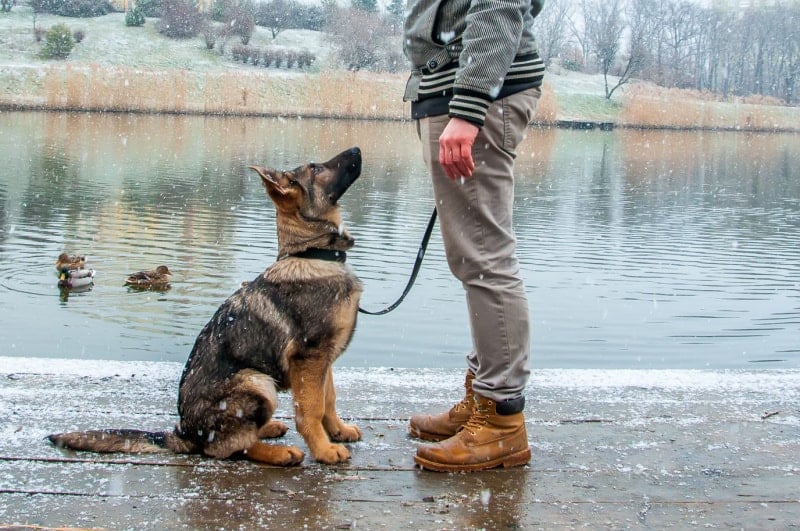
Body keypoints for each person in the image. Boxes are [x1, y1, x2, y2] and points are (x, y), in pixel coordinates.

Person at [402, 0, 545, 472]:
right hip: (458, 90)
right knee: (474, 257)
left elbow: (499, 6)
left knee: (484, 259)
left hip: (473, 98)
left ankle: (501, 421)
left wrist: (467, 107)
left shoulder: (471, 100)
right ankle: (483, 397)